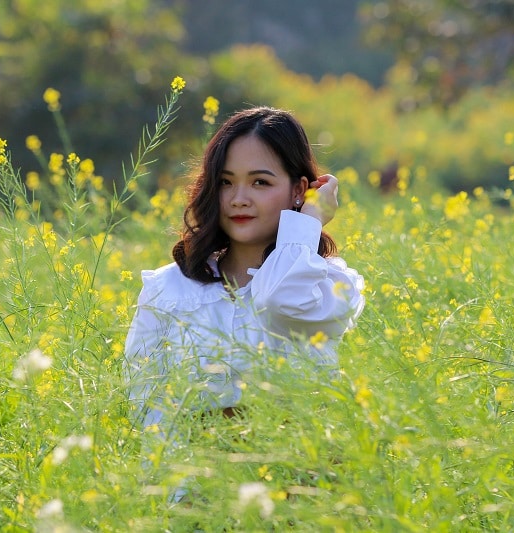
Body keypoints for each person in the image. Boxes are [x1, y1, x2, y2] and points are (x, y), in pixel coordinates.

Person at [123, 106, 364, 438]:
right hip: (195, 481)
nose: (238, 199)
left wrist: (310, 219)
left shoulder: (327, 286)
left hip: (299, 482)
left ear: (299, 190)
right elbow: (144, 404)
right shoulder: (168, 289)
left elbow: (280, 300)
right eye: (225, 182)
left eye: (260, 182)